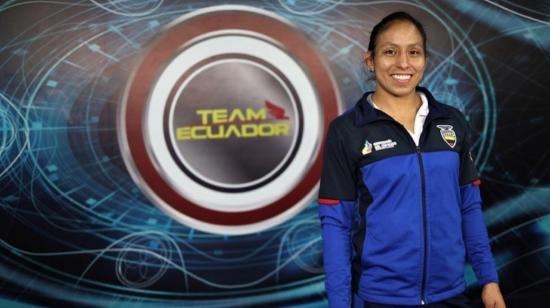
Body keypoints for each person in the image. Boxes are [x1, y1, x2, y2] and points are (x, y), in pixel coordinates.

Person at [317, 11, 506, 308]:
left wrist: (489, 279)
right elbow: (335, 226)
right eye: (390, 51)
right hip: (381, 298)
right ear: (370, 60)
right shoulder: (347, 131)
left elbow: (469, 207)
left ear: (425, 60)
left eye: (413, 52)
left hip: (451, 294)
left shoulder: (451, 121)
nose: (403, 63)